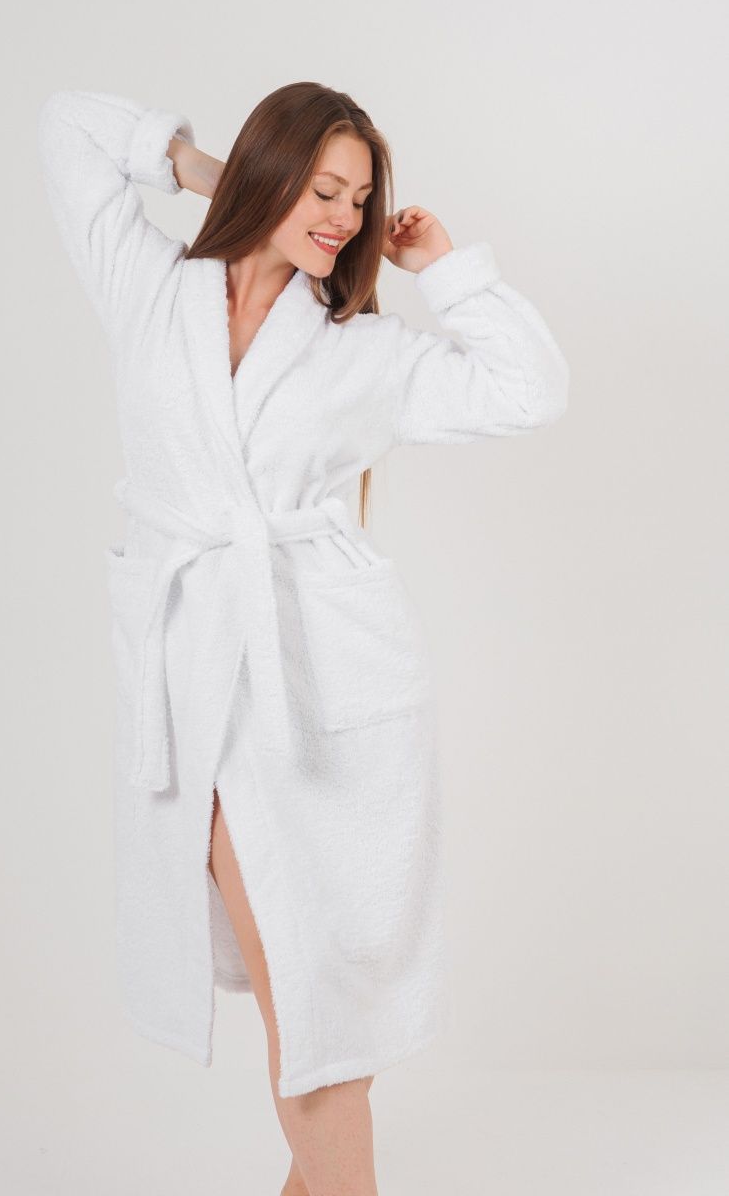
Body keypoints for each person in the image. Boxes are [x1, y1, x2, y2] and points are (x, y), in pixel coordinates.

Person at [38, 81, 569, 1196]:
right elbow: (68, 124)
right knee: (311, 1012)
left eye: (360, 198)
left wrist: (446, 270)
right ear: (269, 173)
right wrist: (206, 172)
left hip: (327, 698)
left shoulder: (357, 352)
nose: (345, 217)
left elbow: (530, 388)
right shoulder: (151, 290)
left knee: (321, 1020)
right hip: (198, 681)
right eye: (324, 189)